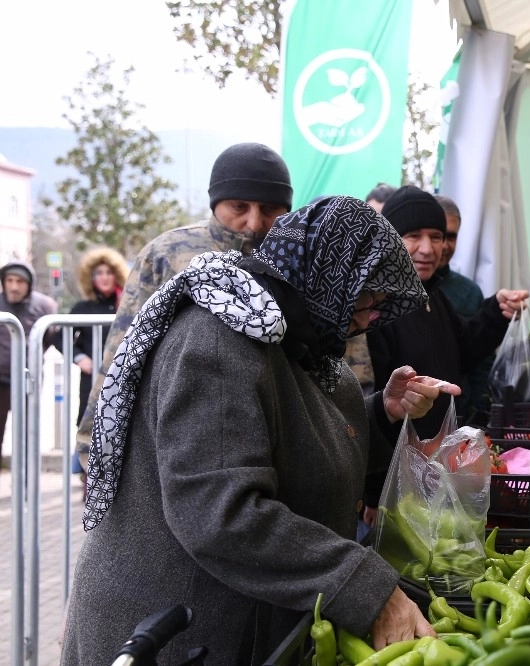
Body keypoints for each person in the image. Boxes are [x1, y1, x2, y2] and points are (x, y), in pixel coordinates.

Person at [61, 196, 455, 666]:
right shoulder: (218, 342)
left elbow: (296, 444)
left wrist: (381, 414)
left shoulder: (296, 340)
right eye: (369, 292)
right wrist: (363, 586)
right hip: (172, 631)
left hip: (230, 623)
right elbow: (222, 515)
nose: (373, 313)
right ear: (326, 272)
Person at [74, 142, 293, 476]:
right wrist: (95, 446)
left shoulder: (297, 260)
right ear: (216, 202)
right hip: (179, 436)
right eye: (239, 206)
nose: (254, 221)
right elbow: (123, 351)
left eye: (269, 209)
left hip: (275, 436)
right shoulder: (167, 253)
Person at [363, 186, 529, 523]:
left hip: (433, 475)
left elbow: (462, 350)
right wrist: (372, 491)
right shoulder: (375, 309)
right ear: (392, 238)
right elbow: (366, 403)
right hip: (393, 486)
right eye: (413, 236)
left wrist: (495, 312)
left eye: (436, 236)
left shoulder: (431, 296)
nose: (427, 249)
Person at [434, 194, 492, 425]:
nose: (445, 245)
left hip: (461, 413)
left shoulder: (469, 292)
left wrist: (479, 411)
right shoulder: (397, 292)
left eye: (452, 237)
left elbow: (482, 361)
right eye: (439, 235)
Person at [1, 261, 58, 450]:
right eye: (9, 280)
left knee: (26, 434)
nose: (14, 287)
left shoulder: (44, 305)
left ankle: (24, 479)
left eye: (20, 281)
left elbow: (49, 336)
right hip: (0, 381)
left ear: (29, 284)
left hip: (28, 380)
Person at [69, 247, 128, 426]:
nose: (104, 277)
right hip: (92, 379)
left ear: (116, 275)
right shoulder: (82, 308)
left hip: (123, 377)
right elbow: (60, 337)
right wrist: (79, 357)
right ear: (91, 277)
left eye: (109, 272)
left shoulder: (126, 306)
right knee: (88, 426)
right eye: (99, 273)